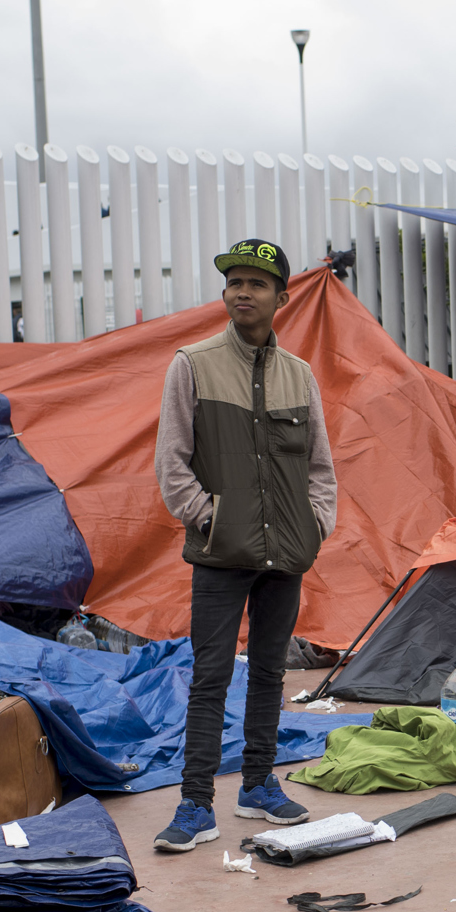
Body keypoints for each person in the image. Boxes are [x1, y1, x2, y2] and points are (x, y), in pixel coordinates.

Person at [152, 239, 334, 852]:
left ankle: (257, 785)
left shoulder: (300, 376)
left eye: (257, 283)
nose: (242, 291)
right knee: (209, 674)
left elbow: (320, 468)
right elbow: (172, 462)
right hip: (220, 552)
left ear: (282, 298)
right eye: (234, 281)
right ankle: (195, 804)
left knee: (269, 671)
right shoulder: (193, 364)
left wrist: (316, 523)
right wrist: (209, 519)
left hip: (286, 553)